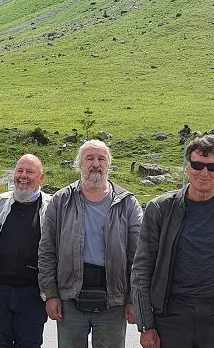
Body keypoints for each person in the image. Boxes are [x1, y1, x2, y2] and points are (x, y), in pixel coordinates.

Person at [131, 134, 214, 348]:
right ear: (187, 167)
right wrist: (146, 325)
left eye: (211, 166)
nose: (204, 173)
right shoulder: (160, 209)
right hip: (171, 317)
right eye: (197, 164)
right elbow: (141, 270)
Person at [38, 139, 143, 348]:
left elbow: (138, 257)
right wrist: (50, 294)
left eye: (101, 158)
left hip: (114, 300)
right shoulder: (61, 200)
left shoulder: (127, 203)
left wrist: (134, 299)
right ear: (79, 164)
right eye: (89, 158)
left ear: (108, 164)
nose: (96, 163)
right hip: (70, 298)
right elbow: (46, 251)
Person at [0, 154, 52, 348]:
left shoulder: (52, 209)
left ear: (41, 178)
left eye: (30, 171)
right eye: (19, 170)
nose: (23, 176)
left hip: (33, 295)